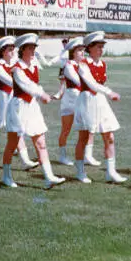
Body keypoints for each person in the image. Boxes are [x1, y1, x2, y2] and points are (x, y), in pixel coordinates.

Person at [1, 33, 65, 188]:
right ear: (22, 50)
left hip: (32, 108)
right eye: (30, 48)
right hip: (18, 108)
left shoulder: (35, 64)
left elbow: (35, 83)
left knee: (41, 142)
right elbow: (26, 85)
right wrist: (41, 94)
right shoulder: (17, 69)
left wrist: (40, 93)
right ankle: (6, 175)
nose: (33, 51)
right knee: (12, 143)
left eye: (34, 48)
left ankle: (49, 176)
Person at [73, 31, 126, 184]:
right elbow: (91, 84)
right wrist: (110, 92)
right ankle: (80, 171)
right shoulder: (83, 64)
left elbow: (100, 85)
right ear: (90, 48)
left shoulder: (103, 64)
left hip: (100, 101)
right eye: (98, 46)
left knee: (109, 136)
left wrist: (106, 94)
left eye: (102, 46)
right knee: (84, 137)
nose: (101, 50)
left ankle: (111, 172)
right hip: (87, 101)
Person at [0, 36, 39, 171]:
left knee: (17, 128)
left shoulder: (14, 65)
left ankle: (25, 160)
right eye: (9, 50)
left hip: (11, 99)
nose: (13, 52)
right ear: (2, 51)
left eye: (13, 49)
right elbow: (9, 81)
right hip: (0, 100)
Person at [56, 37, 85, 166]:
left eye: (83, 50)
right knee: (66, 129)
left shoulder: (84, 65)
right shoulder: (68, 65)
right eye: (79, 50)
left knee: (86, 127)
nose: (82, 52)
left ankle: (87, 155)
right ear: (73, 52)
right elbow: (79, 81)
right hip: (70, 100)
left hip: (83, 98)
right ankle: (62, 156)